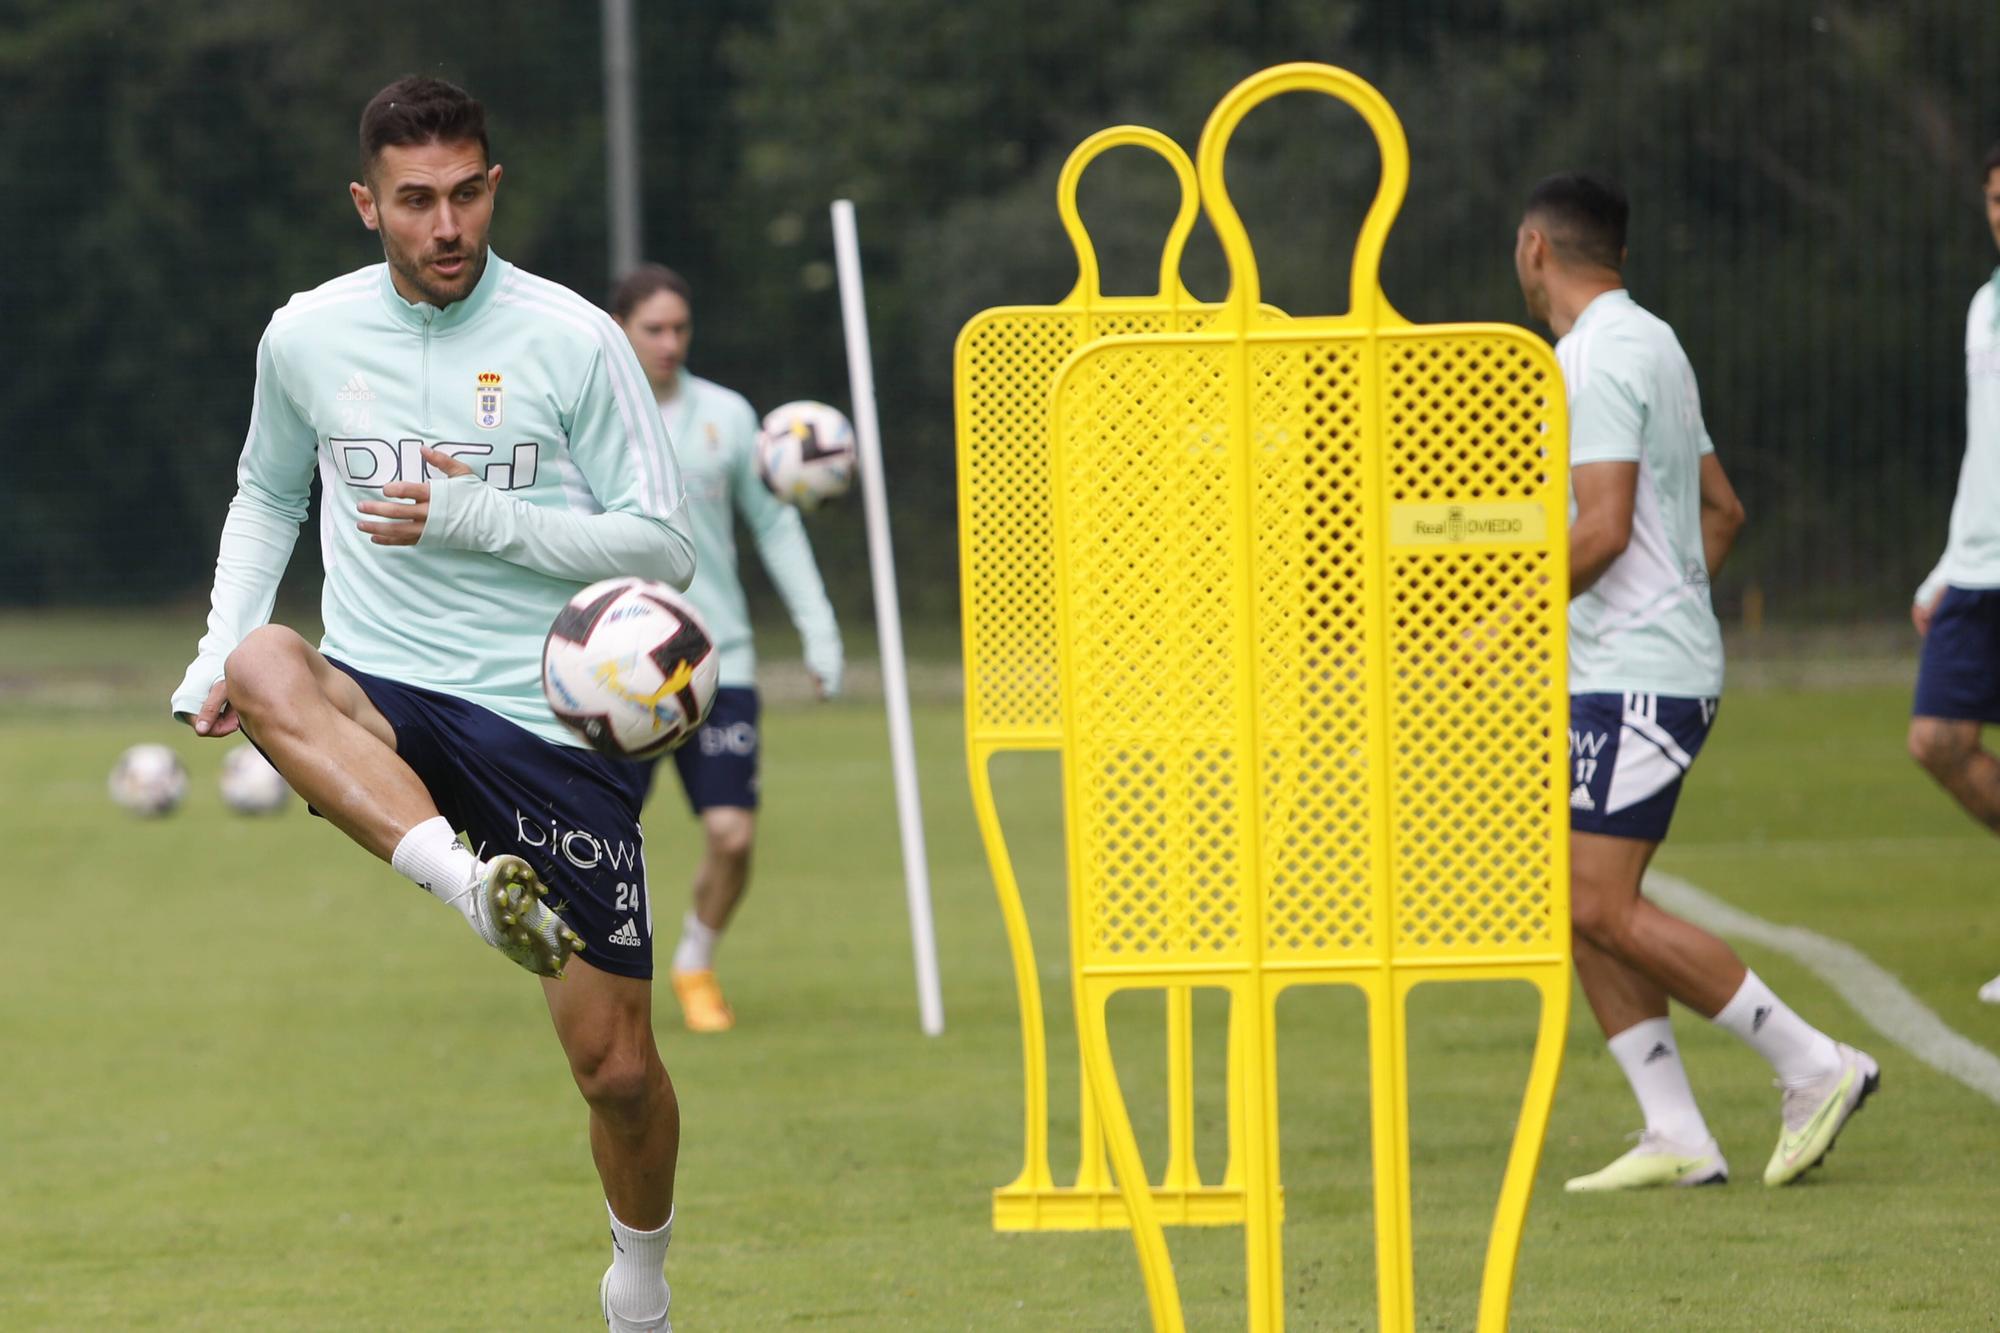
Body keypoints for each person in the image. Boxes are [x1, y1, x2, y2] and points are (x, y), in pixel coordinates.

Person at [169, 77, 689, 1331]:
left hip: (548, 714)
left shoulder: (573, 337)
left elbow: (661, 545)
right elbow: (266, 497)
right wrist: (209, 653)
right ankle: (472, 891)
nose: (444, 225)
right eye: (415, 201)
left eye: (465, 194)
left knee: (614, 1071)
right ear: (368, 206)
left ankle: (640, 1282)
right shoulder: (305, 335)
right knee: (262, 663)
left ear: (493, 188)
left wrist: (483, 516)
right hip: (387, 688)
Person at [1514, 172, 1879, 1191]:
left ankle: (1815, 1065)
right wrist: (1662, 608)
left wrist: (1509, 622)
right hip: (1635, 666)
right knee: (1576, 899)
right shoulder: (1653, 342)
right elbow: (1720, 510)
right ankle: (1674, 1130)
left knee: (1597, 902)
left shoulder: (1586, 359)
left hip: (1632, 680)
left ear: (1534, 250)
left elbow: (1599, 525)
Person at [611, 264, 843, 1033]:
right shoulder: (592, 413)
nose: (671, 342)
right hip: (613, 665)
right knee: (607, 841)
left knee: (731, 831)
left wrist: (820, 630)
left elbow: (775, 525)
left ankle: (695, 961)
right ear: (622, 331)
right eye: (654, 329)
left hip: (718, 658)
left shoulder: (729, 416)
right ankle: (616, 976)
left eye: (681, 327)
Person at [1909, 140, 2000, 1004]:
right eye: (1996, 198)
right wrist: (1945, 565)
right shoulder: (1983, 307)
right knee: (1937, 741)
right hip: (1975, 570)